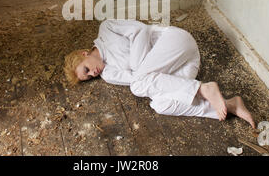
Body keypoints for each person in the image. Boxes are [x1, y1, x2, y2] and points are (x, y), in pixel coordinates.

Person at [64, 19, 256, 128]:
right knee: (160, 104)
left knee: (137, 86)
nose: (93, 74)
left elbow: (140, 30)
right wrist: (143, 67)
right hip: (185, 65)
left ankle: (204, 88)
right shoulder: (109, 74)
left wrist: (137, 63)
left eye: (86, 69)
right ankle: (231, 105)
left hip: (175, 42)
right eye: (89, 77)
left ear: (83, 54)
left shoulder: (106, 30)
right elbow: (150, 81)